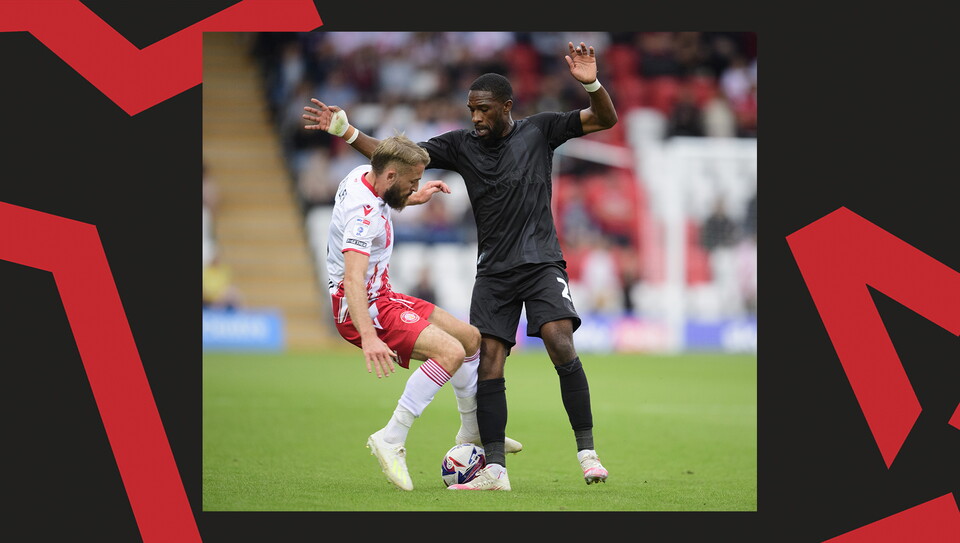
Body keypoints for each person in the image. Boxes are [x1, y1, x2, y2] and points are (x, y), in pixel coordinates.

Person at [305, 41, 616, 490]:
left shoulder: (541, 130)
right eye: (471, 109)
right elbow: (396, 160)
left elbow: (605, 118)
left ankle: (587, 453)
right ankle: (493, 469)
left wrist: (590, 83)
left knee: (558, 340)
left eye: (484, 110)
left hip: (541, 260)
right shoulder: (461, 146)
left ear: (506, 108)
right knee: (484, 356)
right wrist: (349, 132)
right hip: (493, 271)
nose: (475, 118)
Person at [325, 135, 520, 491]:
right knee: (451, 352)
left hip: (383, 296)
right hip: (363, 307)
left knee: (470, 338)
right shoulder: (362, 218)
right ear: (390, 176)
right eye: (412, 181)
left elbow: (385, 185)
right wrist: (368, 336)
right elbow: (353, 279)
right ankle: (391, 437)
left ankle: (471, 429)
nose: (416, 185)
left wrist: (414, 196)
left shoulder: (361, 175)